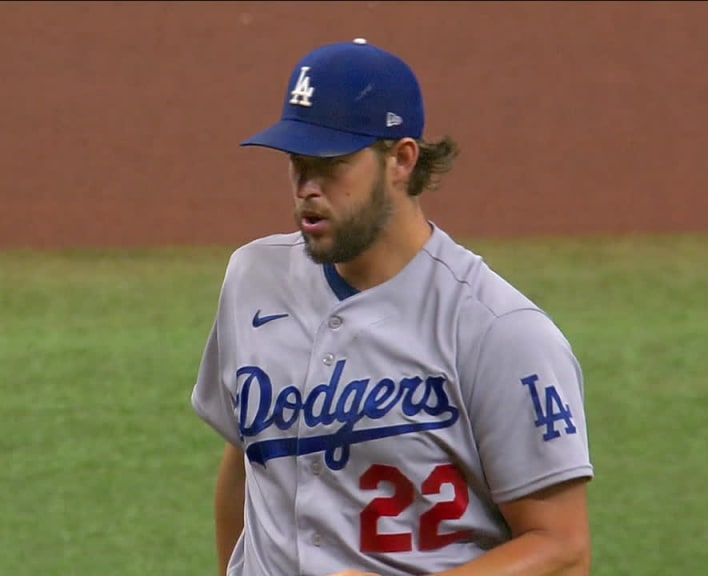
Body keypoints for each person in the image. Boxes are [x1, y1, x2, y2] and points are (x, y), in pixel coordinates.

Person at [189, 38, 594, 576]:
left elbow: (562, 548)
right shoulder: (253, 279)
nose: (308, 187)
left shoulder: (497, 330)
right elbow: (248, 457)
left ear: (401, 159)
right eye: (296, 162)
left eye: (331, 164)